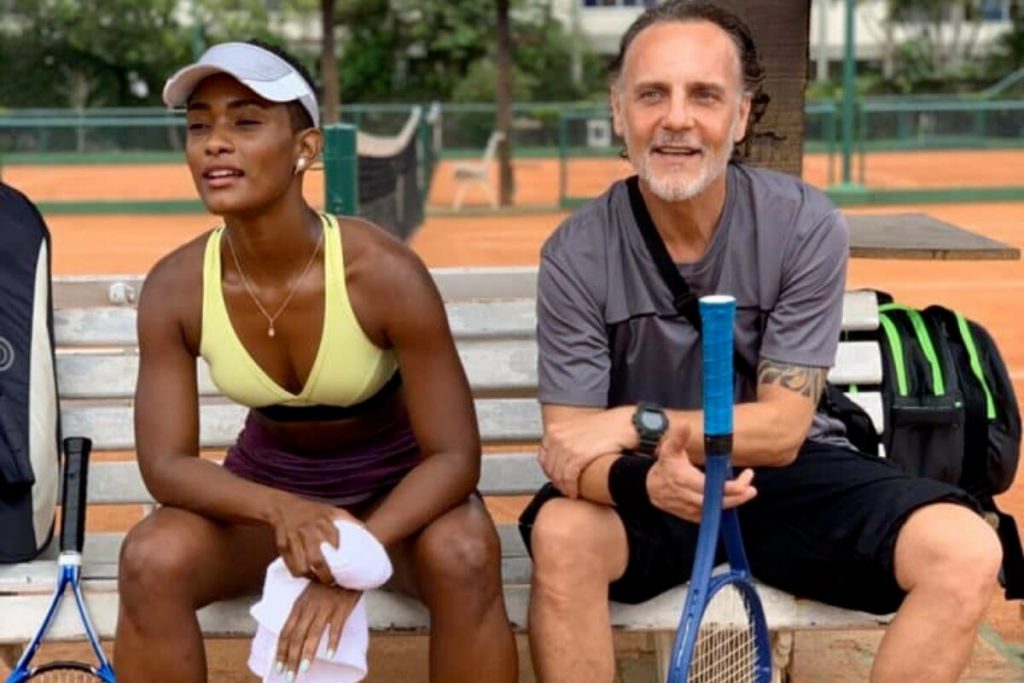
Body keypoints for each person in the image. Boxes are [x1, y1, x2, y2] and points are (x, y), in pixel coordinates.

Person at [518, 3, 1002, 683]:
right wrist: (646, 477)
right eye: (652, 93)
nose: (677, 118)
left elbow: (780, 430)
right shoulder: (575, 252)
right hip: (647, 484)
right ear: (619, 112)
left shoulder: (804, 223)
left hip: (786, 476)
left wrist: (636, 421)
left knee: (965, 548)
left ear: (741, 116)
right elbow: (572, 448)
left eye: (705, 95)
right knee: (562, 533)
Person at [114, 40, 517, 683]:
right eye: (199, 125)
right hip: (272, 504)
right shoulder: (175, 287)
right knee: (150, 558)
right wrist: (283, 511)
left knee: (466, 553)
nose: (216, 141)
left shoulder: (381, 272)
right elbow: (166, 465)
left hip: (399, 499)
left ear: (307, 147)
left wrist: (354, 556)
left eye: (246, 121)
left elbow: (453, 456)